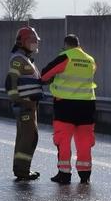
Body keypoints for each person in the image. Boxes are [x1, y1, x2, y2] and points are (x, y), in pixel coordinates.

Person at [41, 34, 97, 184]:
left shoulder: (65, 57)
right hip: (87, 105)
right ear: (78, 44)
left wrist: (50, 80)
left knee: (63, 139)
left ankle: (64, 174)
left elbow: (45, 74)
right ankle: (85, 175)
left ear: (66, 44)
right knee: (85, 141)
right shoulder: (90, 60)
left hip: (65, 105)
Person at [5, 26, 43, 181]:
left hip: (30, 105)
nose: (35, 44)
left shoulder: (26, 59)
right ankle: (22, 171)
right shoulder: (18, 60)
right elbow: (10, 82)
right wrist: (19, 101)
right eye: (32, 41)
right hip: (25, 105)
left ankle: (22, 169)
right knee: (28, 137)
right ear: (23, 42)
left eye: (36, 41)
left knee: (29, 137)